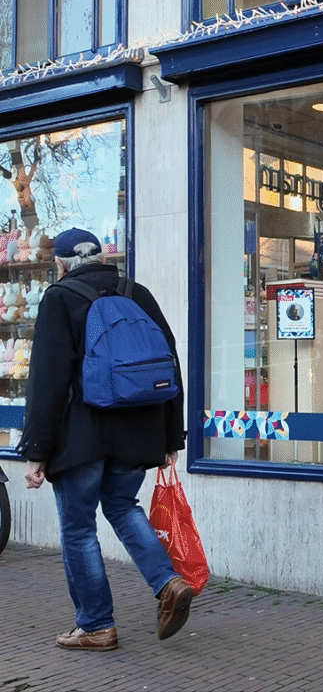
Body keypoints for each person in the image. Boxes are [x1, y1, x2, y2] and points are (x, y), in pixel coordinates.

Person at [19, 228, 192, 651]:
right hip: (138, 432)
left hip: (81, 437)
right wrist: (172, 434)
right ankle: (168, 583)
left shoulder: (60, 298)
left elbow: (48, 381)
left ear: (60, 264)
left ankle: (96, 625)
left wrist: (35, 452)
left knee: (78, 530)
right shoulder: (138, 293)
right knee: (121, 505)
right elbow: (170, 366)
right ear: (101, 257)